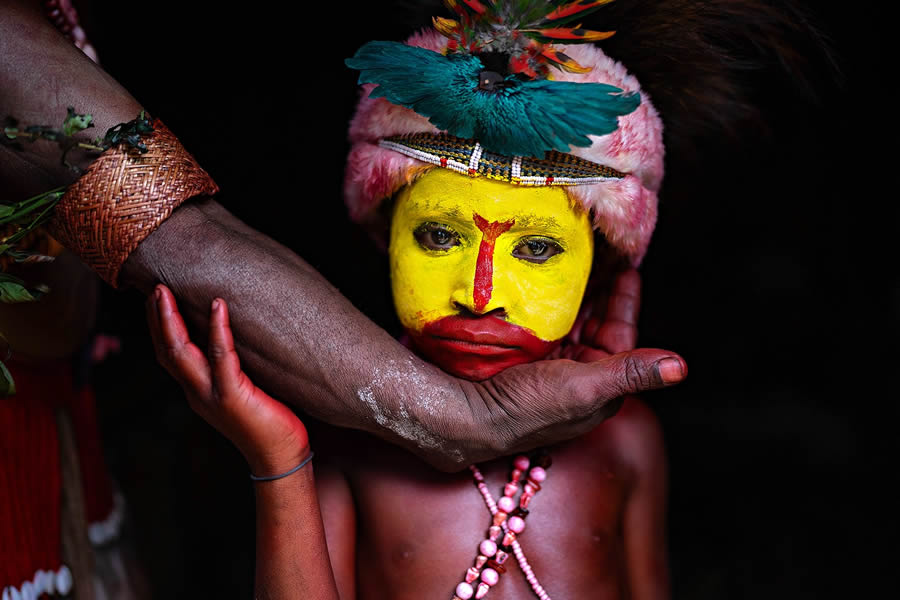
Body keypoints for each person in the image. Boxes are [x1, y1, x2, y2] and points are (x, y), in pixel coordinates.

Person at [147, 9, 674, 597]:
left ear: (599, 268)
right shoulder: (347, 439)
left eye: (537, 248)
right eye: (440, 236)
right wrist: (280, 460)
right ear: (385, 237)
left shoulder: (627, 441)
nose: (482, 296)